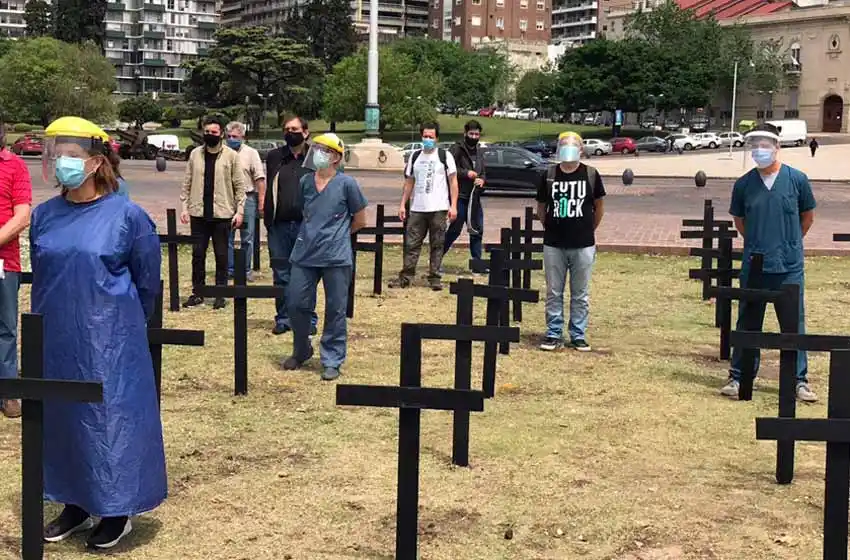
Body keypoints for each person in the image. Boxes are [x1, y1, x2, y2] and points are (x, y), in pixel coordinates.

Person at [32, 116, 165, 549]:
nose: (60, 163)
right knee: (64, 418)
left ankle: (116, 508)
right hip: (56, 335)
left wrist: (123, 328)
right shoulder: (44, 216)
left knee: (109, 421)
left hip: (110, 339)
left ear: (94, 162)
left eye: (70, 156)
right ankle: (73, 502)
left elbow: (148, 283)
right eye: (56, 155)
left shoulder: (128, 217)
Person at [720, 123, 818, 402]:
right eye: (755, 145)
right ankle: (739, 376)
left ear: (777, 147)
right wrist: (757, 240)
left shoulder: (797, 179)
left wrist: (791, 242)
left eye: (766, 145)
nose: (760, 150)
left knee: (793, 324)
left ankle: (798, 381)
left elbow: (807, 216)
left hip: (788, 266)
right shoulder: (744, 185)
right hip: (756, 263)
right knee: (748, 321)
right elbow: (740, 220)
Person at [282, 133, 368, 381]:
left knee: (335, 308)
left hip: (335, 256)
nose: (317, 153)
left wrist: (337, 235)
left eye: (323, 150)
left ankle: (332, 358)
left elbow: (360, 219)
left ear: (336, 157)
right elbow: (306, 212)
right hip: (304, 253)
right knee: (296, 303)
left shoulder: (347, 184)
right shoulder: (306, 182)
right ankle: (301, 349)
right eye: (316, 148)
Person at [536, 131, 606, 352]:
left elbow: (599, 207)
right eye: (564, 145)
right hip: (554, 243)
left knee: (580, 293)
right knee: (554, 291)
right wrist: (551, 227)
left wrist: (588, 229)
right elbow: (541, 208)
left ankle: (578, 334)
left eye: (572, 145)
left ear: (581, 149)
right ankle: (553, 332)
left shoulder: (591, 174)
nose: (568, 148)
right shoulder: (549, 175)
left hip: (583, 243)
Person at [179, 115, 246, 310]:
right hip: (198, 213)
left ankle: (220, 293)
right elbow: (187, 181)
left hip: (222, 214)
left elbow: (239, 186)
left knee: (221, 255)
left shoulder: (231, 156)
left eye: (214, 132)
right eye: (206, 132)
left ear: (222, 134)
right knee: (197, 255)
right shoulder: (195, 155)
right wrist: (184, 207)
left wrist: (239, 211)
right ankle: (198, 292)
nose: (210, 135)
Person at [264, 115, 318, 335]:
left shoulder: (315, 158)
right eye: (286, 129)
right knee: (281, 273)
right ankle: (284, 318)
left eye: (294, 129)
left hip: (307, 226)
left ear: (305, 132)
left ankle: (307, 319)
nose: (290, 132)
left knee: (306, 274)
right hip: (279, 226)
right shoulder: (275, 157)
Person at [389, 121, 458, 291]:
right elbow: (409, 182)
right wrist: (402, 204)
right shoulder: (415, 157)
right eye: (425, 136)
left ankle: (434, 277)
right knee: (411, 243)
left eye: (431, 137)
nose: (427, 139)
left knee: (437, 243)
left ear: (436, 138)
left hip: (439, 208)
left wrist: (453, 205)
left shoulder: (445, 156)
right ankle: (406, 276)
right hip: (417, 209)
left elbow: (453, 182)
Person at [0, 122, 32, 420]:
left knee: (5, 328)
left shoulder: (15, 166)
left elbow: (22, 215)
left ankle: (8, 390)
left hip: (3, 261)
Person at [224, 121, 266, 282]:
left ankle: (246, 269)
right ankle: (229, 268)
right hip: (227, 199)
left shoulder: (251, 153)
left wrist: (261, 202)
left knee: (247, 237)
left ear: (242, 136)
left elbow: (260, 179)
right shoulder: (223, 152)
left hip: (248, 198)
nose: (231, 139)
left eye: (235, 136)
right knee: (226, 236)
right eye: (229, 136)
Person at [445, 120, 487, 273]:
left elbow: (483, 172)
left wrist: (482, 180)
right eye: (471, 133)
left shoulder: (480, 151)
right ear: (465, 134)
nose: (474, 136)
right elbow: (449, 167)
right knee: (454, 230)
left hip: (474, 198)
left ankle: (477, 265)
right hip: (460, 196)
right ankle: (436, 259)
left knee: (477, 230)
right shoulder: (457, 149)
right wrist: (466, 174)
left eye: (477, 134)